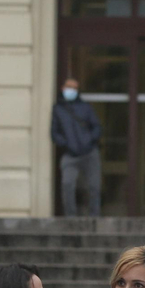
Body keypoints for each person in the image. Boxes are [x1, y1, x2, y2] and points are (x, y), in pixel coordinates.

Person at [52, 77, 102, 217]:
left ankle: (94, 216)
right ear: (63, 88)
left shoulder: (86, 107)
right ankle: (70, 217)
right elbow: (54, 132)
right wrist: (66, 144)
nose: (71, 90)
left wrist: (90, 140)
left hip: (89, 152)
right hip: (70, 154)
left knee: (94, 186)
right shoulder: (58, 109)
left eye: (74, 88)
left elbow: (96, 127)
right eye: (69, 87)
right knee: (67, 184)